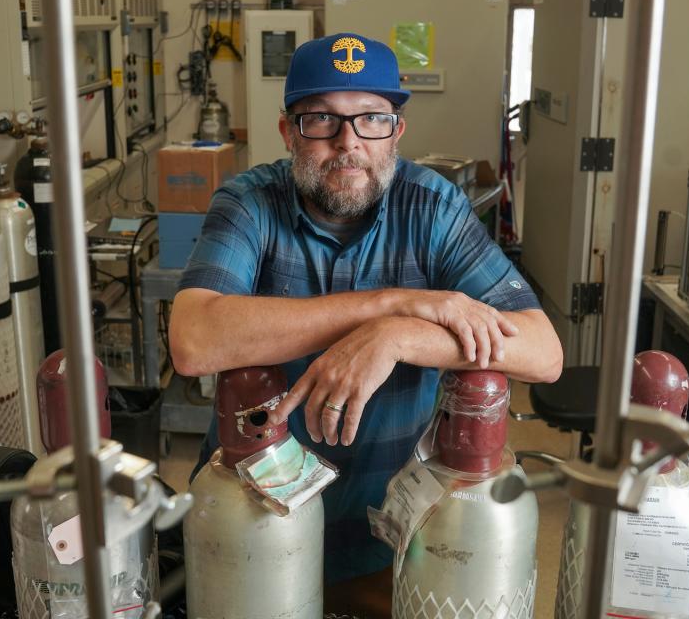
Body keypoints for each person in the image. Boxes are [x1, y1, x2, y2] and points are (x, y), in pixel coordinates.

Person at [169, 32, 562, 607]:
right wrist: (389, 302)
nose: (348, 142)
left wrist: (398, 336)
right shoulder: (249, 204)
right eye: (321, 120)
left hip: (391, 537)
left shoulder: (432, 209)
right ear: (287, 131)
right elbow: (194, 338)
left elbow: (542, 352)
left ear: (396, 132)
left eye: (371, 119)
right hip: (252, 526)